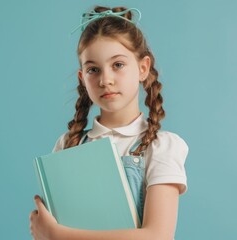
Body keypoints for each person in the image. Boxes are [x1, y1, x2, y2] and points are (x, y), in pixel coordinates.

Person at [29, 6, 188, 240]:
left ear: (143, 68)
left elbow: (157, 236)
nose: (105, 80)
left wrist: (57, 234)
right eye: (93, 69)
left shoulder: (161, 146)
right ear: (82, 78)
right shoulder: (67, 144)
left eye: (118, 65)